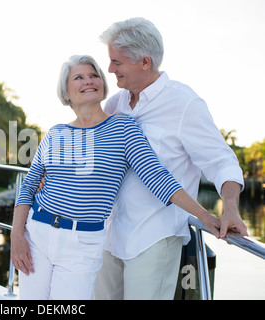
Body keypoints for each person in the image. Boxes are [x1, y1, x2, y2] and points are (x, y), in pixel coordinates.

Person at [10, 55, 220, 300]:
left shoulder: (123, 128)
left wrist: (204, 215)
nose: (89, 81)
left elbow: (157, 177)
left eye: (94, 75)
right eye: (79, 77)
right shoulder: (56, 133)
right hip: (37, 234)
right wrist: (16, 236)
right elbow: (28, 187)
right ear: (66, 92)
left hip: (84, 243)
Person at [93, 17, 248, 300]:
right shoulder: (116, 103)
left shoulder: (184, 103)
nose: (110, 69)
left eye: (117, 62)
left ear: (144, 62)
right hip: (108, 234)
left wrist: (231, 209)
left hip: (153, 238)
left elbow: (222, 161)